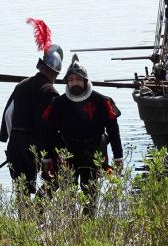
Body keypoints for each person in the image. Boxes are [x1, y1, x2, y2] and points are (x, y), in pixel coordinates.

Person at [42, 55, 123, 215]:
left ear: (85, 81)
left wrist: (118, 157)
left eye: (78, 79)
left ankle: (89, 230)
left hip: (93, 152)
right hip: (67, 152)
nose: (74, 83)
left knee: (90, 196)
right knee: (68, 197)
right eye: (71, 80)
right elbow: (49, 133)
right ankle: (71, 229)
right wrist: (47, 159)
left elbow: (113, 131)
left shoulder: (101, 102)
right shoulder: (58, 104)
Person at [0, 19, 63, 195]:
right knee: (55, 180)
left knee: (22, 192)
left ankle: (25, 221)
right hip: (35, 146)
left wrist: (13, 141)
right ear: (56, 72)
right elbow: (47, 126)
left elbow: (8, 116)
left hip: (16, 145)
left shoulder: (21, 85)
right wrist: (47, 156)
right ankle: (40, 212)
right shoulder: (51, 92)